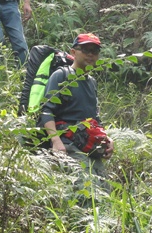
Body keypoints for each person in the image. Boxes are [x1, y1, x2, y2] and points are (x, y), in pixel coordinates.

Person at [39, 33, 115, 193]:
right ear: (73, 52)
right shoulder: (61, 75)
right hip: (68, 144)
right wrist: (56, 141)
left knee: (105, 190)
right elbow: (46, 110)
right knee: (85, 190)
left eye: (94, 51)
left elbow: (94, 117)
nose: (90, 54)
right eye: (86, 50)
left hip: (90, 145)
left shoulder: (92, 82)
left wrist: (107, 139)